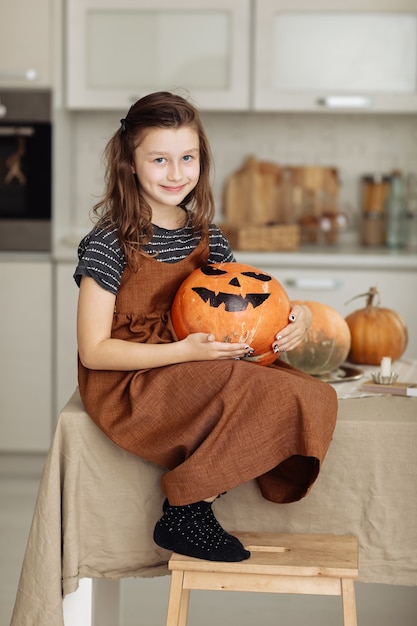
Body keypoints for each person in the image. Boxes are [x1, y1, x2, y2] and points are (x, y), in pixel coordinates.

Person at [74, 91, 337, 563]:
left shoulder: (207, 235)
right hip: (132, 376)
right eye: (159, 159)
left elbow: (246, 310)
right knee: (259, 392)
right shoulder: (108, 242)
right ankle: (187, 507)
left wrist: (299, 318)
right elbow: (94, 350)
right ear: (129, 164)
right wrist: (182, 353)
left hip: (195, 356)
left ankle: (196, 501)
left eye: (187, 158)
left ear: (201, 160)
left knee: (313, 393)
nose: (176, 173)